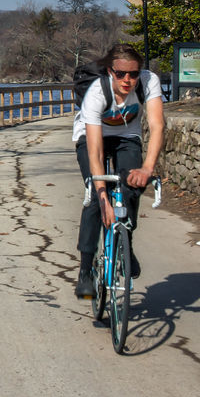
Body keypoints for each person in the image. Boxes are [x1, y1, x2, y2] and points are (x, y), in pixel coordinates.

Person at [73, 43, 165, 299]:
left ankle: (127, 244)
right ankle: (85, 271)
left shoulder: (149, 82)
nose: (128, 80)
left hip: (127, 136)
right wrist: (103, 197)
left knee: (132, 186)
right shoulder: (96, 92)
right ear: (110, 71)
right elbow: (95, 153)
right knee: (94, 195)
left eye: (133, 74)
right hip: (93, 137)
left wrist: (147, 168)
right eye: (121, 73)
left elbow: (157, 125)